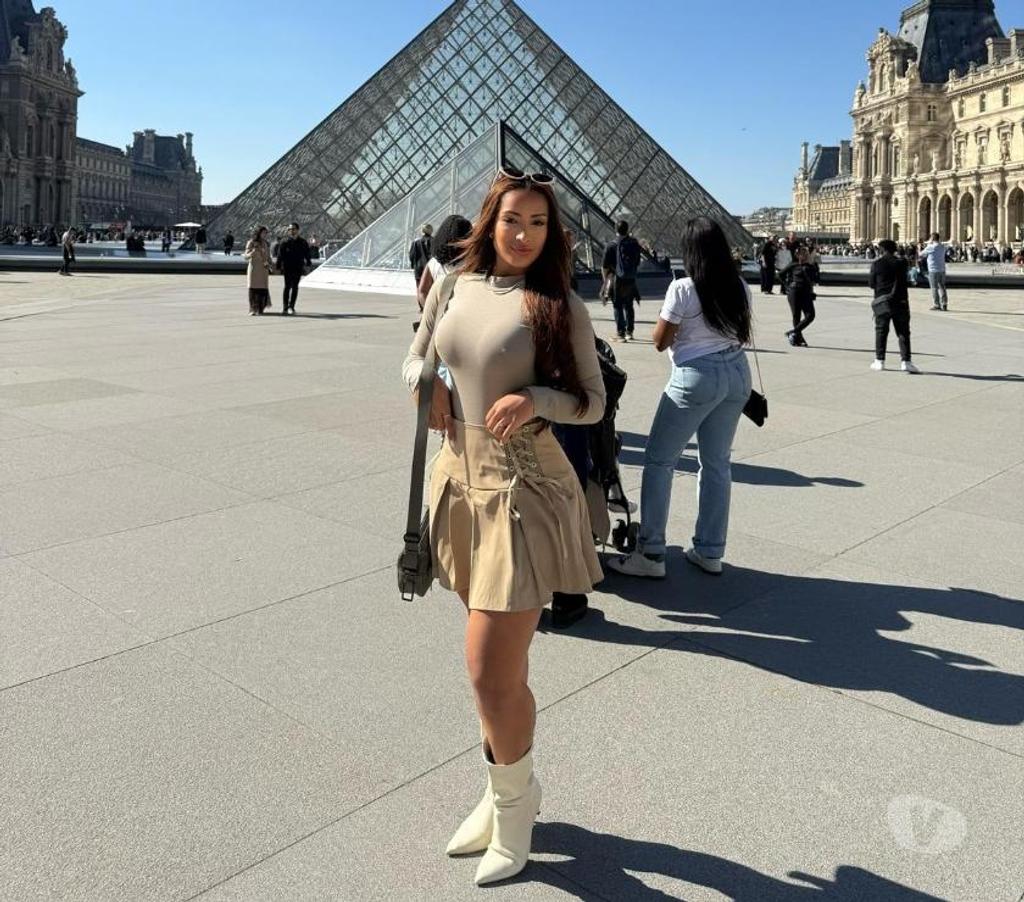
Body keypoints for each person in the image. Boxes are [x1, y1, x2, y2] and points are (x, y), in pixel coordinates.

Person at [402, 170, 605, 886]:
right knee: (499, 672)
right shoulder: (454, 284)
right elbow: (417, 354)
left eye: (539, 224)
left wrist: (536, 398)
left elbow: (592, 401)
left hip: (523, 489)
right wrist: (428, 383)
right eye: (513, 219)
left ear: (553, 234)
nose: (524, 234)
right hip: (458, 483)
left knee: (490, 671)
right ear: (490, 221)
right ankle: (501, 793)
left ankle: (517, 808)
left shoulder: (558, 304)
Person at [607, 216, 752, 579]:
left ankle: (651, 553)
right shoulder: (739, 284)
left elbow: (660, 341)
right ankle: (710, 551)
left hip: (696, 377)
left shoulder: (683, 288)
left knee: (659, 461)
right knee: (717, 464)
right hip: (737, 373)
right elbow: (740, 334)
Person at [869, 240, 920, 374]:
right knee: (903, 332)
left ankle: (879, 361)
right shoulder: (902, 263)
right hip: (900, 301)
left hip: (882, 302)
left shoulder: (877, 264)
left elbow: (871, 284)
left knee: (881, 331)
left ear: (882, 250)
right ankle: (906, 362)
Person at [416, 214, 472, 311]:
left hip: (440, 314)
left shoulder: (433, 263)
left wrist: (432, 312)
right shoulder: (472, 262)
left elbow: (422, 291)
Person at [602, 220, 642, 341]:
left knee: (617, 306)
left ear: (615, 230)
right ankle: (630, 332)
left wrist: (605, 282)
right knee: (629, 305)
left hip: (616, 279)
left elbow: (604, 266)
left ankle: (620, 334)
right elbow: (637, 262)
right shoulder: (634, 243)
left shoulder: (611, 245)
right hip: (630, 278)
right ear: (627, 229)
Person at [780, 245, 817, 347]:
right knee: (796, 316)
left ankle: (793, 332)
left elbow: (815, 279)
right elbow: (780, 274)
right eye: (803, 253)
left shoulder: (811, 266)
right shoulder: (793, 265)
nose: (806, 255)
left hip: (806, 292)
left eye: (807, 253)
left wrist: (810, 265)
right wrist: (787, 286)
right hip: (794, 292)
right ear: (798, 255)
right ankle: (797, 338)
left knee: (810, 315)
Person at [276, 222, 312, 315]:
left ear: (298, 230)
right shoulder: (284, 242)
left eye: (293, 229)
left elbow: (307, 254)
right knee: (287, 287)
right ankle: (285, 307)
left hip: (298, 267)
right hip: (287, 267)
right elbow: (280, 255)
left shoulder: (303, 242)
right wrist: (278, 266)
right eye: (290, 229)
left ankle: (292, 306)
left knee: (295, 287)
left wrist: (308, 264)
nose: (291, 231)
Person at [244, 226, 272, 316]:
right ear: (258, 233)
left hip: (263, 269)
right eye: (264, 233)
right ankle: (252, 309)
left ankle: (260, 308)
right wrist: (253, 252)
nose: (265, 235)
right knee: (253, 289)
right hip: (254, 269)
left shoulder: (266, 243)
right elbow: (246, 256)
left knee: (262, 289)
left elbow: (268, 256)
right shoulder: (251, 242)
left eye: (266, 233)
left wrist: (270, 263)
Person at [923, 232, 948, 310]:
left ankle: (937, 304)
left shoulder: (931, 247)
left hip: (933, 270)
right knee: (942, 287)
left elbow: (921, 254)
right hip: (942, 269)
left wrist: (928, 244)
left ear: (932, 238)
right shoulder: (942, 247)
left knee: (934, 288)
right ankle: (944, 303)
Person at [409, 223, 434, 288]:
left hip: (418, 268)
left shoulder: (415, 242)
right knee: (430, 288)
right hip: (431, 268)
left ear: (422, 230)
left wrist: (413, 265)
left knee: (420, 288)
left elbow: (411, 255)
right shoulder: (434, 241)